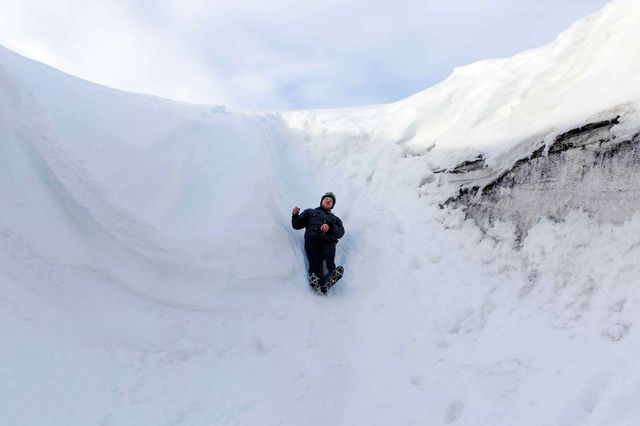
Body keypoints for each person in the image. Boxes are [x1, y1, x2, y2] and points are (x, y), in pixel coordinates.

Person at [292, 192, 345, 293]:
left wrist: (330, 227)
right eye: (327, 199)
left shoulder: (335, 219)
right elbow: (297, 225)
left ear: (332, 206)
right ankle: (315, 279)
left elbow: (340, 233)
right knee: (314, 260)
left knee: (327, 259)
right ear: (322, 201)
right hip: (312, 239)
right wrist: (295, 215)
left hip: (328, 241)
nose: (329, 201)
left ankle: (328, 278)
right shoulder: (310, 212)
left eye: (331, 201)